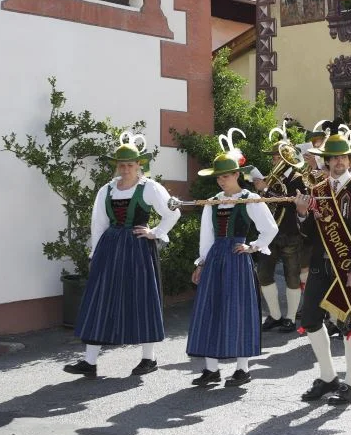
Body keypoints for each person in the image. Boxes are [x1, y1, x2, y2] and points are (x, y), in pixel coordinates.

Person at [65, 133, 180, 379]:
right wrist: (95, 253)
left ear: (140, 165)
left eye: (130, 164)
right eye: (122, 165)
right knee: (100, 298)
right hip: (110, 248)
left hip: (138, 249)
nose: (126, 169)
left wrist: (156, 232)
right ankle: (89, 361)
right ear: (117, 166)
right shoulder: (106, 190)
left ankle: (148, 358)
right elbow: (98, 224)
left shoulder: (150, 188)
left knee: (142, 298)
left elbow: (173, 212)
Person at [186, 134, 279, 388]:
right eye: (218, 176)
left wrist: (253, 247)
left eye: (225, 176)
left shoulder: (249, 199)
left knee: (238, 310)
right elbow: (206, 237)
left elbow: (270, 229)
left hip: (237, 261)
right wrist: (201, 264)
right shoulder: (213, 203)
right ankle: (211, 369)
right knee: (211, 309)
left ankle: (242, 368)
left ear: (237, 175)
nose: (221, 180)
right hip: (216, 259)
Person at [293, 133, 351, 405]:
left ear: (350, 160)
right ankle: (329, 377)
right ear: (326, 161)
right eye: (333, 158)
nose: (338, 162)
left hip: (348, 266)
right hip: (321, 264)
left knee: (350, 323)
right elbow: (309, 233)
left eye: (343, 157)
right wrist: (303, 213)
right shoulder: (318, 189)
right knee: (309, 319)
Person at [253, 137, 308, 332]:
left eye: (276, 157)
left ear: (286, 158)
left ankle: (291, 318)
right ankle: (275, 316)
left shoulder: (298, 179)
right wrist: (261, 193)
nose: (273, 161)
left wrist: (266, 190)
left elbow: (290, 202)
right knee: (263, 274)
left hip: (291, 233)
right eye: (274, 157)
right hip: (270, 233)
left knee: (292, 276)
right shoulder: (272, 178)